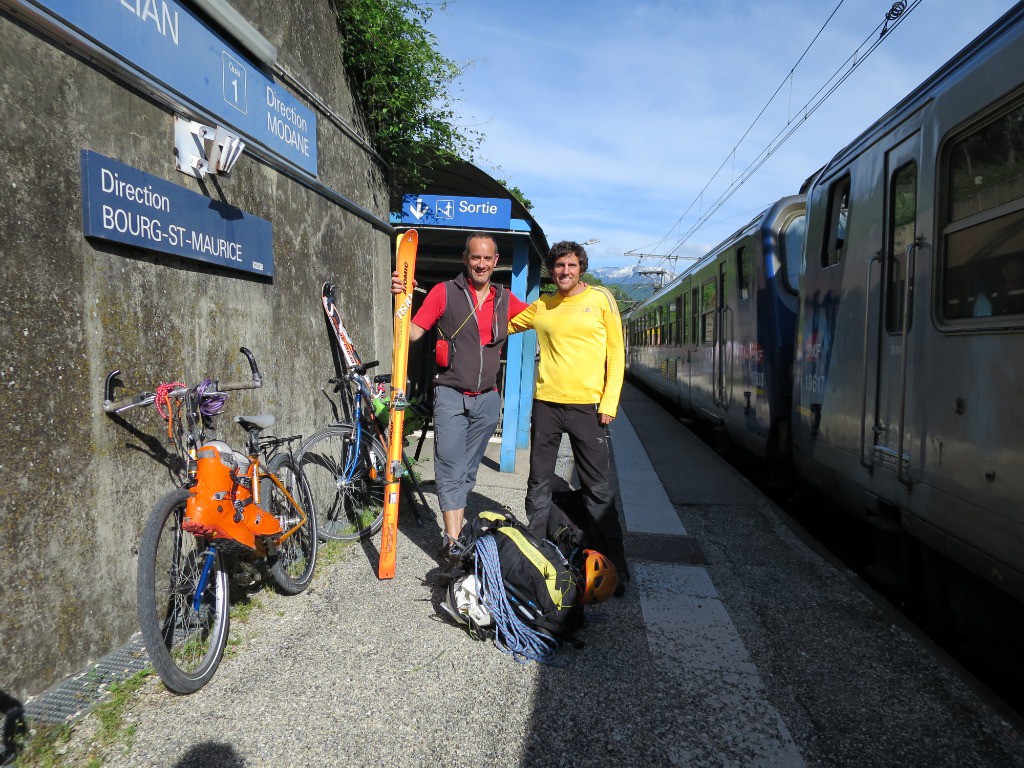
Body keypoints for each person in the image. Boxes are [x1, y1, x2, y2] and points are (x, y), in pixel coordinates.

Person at [392, 232, 529, 562]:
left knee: (467, 471)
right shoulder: (444, 293)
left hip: (487, 399)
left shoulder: (504, 299)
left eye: (487, 258)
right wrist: (402, 299)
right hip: (451, 394)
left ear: (496, 262)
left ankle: (454, 525)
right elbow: (412, 332)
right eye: (475, 257)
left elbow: (543, 318)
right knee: (451, 465)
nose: (481, 264)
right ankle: (452, 541)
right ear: (465, 259)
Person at [507, 240, 628, 592]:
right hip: (546, 405)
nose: (565, 272)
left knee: (598, 489)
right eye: (559, 266)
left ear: (581, 268)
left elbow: (617, 353)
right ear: (552, 270)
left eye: (571, 266)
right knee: (538, 482)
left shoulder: (601, 299)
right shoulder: (543, 305)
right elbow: (505, 323)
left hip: (588, 408)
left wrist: (609, 402)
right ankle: (537, 555)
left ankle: (614, 567)